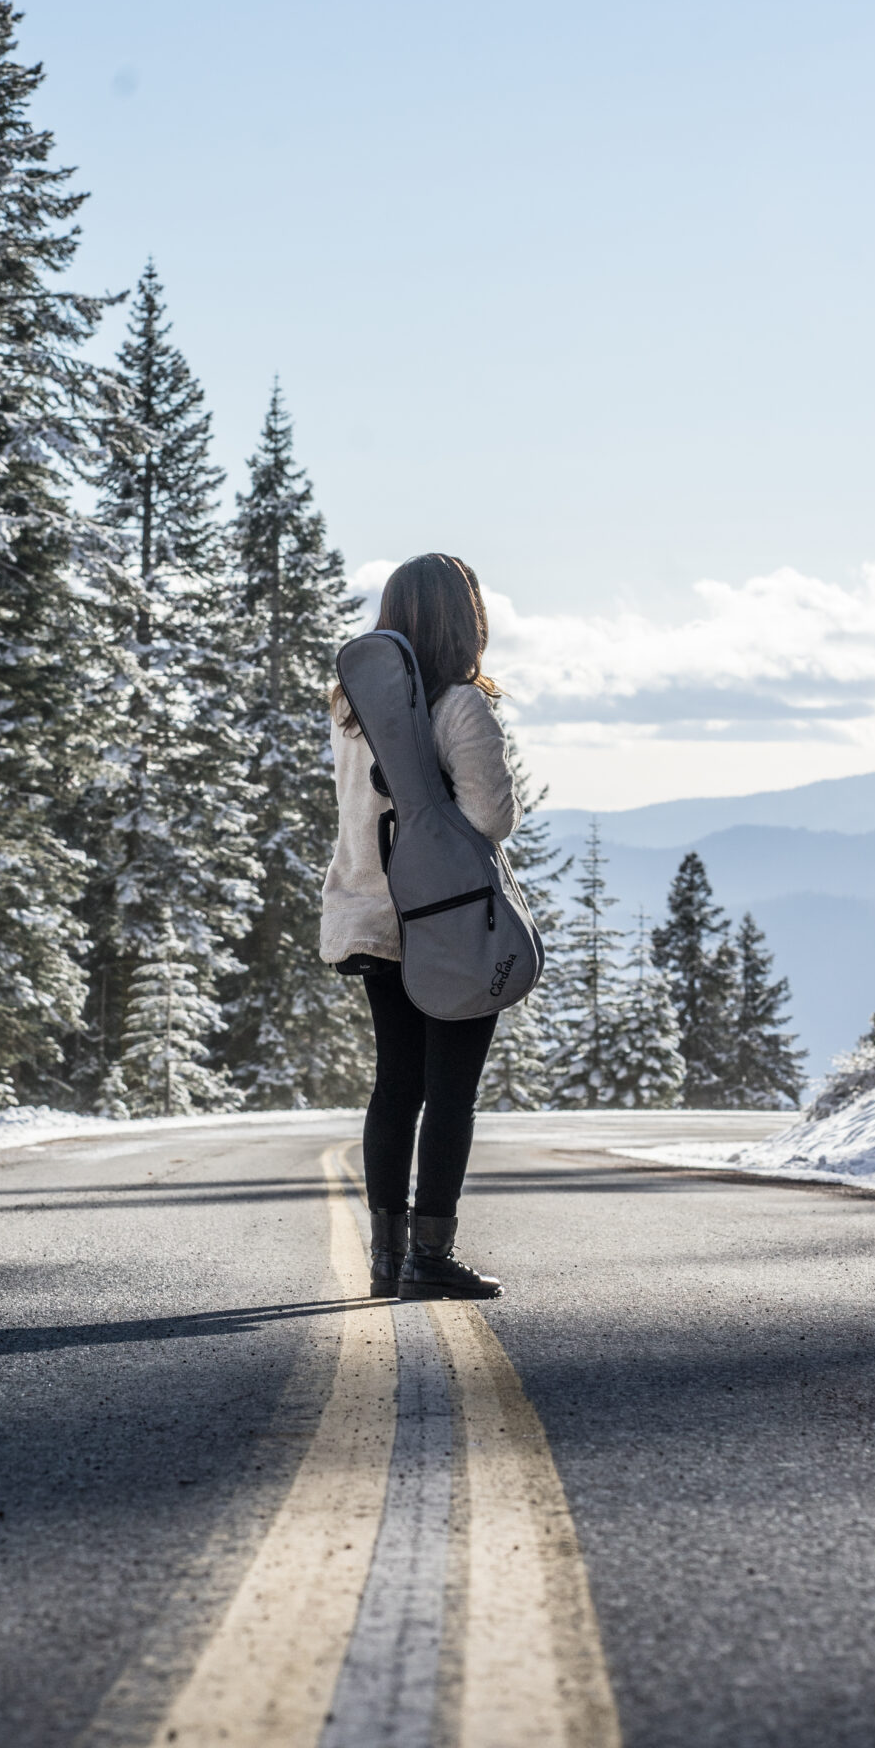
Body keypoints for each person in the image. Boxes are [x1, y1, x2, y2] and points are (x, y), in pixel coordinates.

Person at [321, 553, 520, 1299]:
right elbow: (490, 818)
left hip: (370, 914)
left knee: (395, 1087)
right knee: (451, 1092)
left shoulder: (351, 708)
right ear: (463, 618)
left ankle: (385, 1258)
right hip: (448, 923)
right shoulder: (460, 706)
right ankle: (431, 1258)